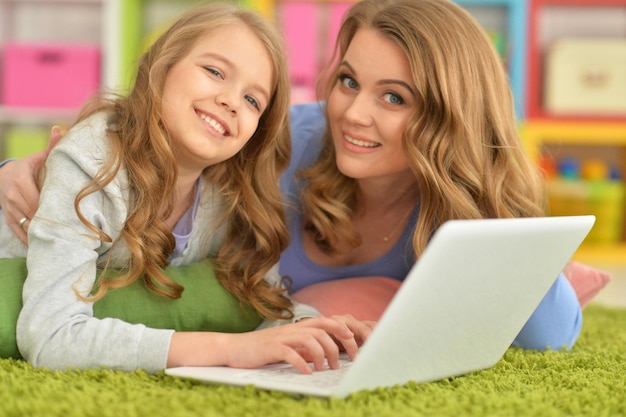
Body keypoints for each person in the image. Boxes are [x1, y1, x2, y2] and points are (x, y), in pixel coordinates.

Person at [1, 0, 581, 352]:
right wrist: (14, 171)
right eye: (349, 80)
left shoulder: (460, 214)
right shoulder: (279, 137)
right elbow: (148, 136)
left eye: (394, 97)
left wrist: (527, 257)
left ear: (449, 117)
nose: (353, 113)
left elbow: (548, 333)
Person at [0, 3, 372, 375]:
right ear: (163, 67)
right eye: (214, 71)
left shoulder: (226, 194)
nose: (230, 101)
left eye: (252, 100)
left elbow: (268, 303)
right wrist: (229, 348)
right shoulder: (94, 161)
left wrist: (321, 330)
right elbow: (51, 336)